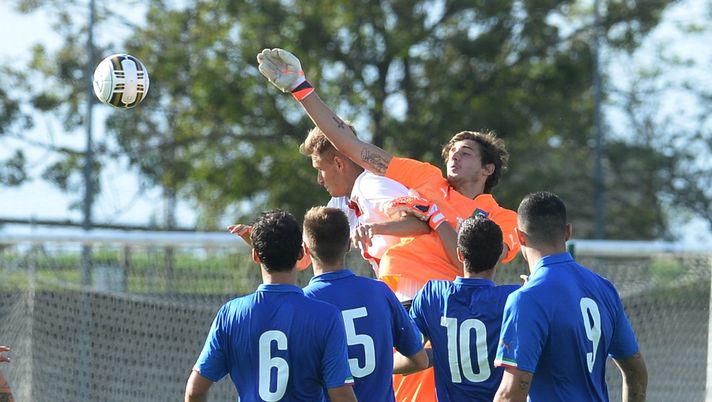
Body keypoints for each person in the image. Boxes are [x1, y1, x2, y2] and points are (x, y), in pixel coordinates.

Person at [257, 47, 520, 402]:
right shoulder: (426, 177)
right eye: (451, 151)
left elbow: (469, 264)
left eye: (466, 152)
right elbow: (350, 145)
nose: (453, 155)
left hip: (446, 313)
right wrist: (302, 88)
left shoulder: (502, 218)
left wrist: (437, 220)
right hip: (398, 305)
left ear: (488, 170)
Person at [185, 209, 357, 402]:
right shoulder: (326, 316)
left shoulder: (230, 314)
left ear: (256, 256)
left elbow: (195, 390)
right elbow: (341, 395)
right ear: (301, 253)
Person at [493, 192, 648, 402]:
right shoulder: (604, 289)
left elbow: (511, 394)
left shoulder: (527, 299)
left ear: (520, 237)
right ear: (568, 232)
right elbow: (636, 373)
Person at [301, 206, 429, 401]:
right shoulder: (380, 292)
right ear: (347, 245)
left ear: (305, 249)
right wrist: (381, 365)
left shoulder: (303, 303)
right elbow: (420, 360)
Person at [394, 215, 520, 401]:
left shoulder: (433, 294)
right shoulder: (514, 298)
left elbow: (411, 356)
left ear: (460, 254)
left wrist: (379, 365)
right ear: (498, 256)